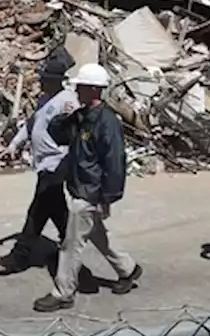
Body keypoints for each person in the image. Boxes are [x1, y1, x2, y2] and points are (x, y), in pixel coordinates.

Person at [33, 62, 142, 313]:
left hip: (89, 191)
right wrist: (66, 116)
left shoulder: (107, 122)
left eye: (80, 87)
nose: (76, 91)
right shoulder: (81, 117)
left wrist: (107, 197)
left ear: (93, 89)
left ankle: (63, 292)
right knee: (97, 234)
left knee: (71, 244)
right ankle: (128, 269)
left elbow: (115, 162)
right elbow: (58, 134)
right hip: (79, 186)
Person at [0, 47, 78, 274]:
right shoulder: (44, 100)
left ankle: (20, 257)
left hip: (57, 164)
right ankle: (72, 243)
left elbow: (77, 131)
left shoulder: (68, 101)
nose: (40, 83)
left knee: (38, 210)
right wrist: (14, 144)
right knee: (57, 210)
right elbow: (32, 125)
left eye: (44, 80)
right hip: (43, 163)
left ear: (55, 81)